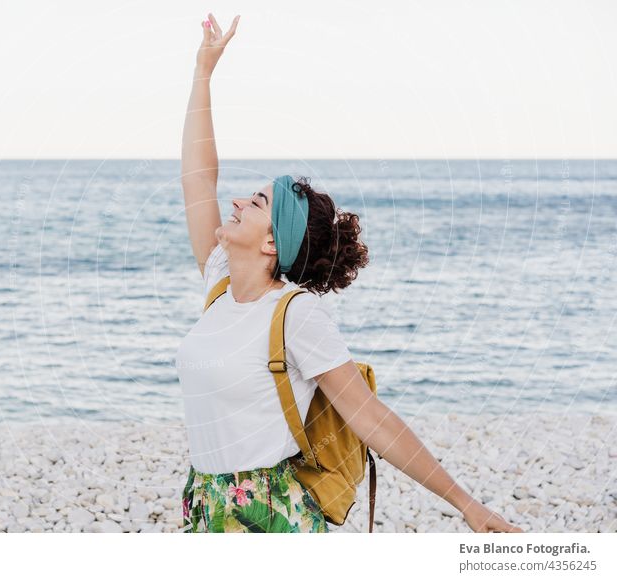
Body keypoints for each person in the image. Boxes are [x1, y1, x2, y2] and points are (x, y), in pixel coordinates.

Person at [176, 12, 524, 534]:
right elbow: (198, 177)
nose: (234, 201)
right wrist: (203, 70)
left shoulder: (296, 315)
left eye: (254, 202)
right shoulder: (220, 285)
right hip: (205, 504)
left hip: (273, 516)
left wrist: (466, 505)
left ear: (272, 243)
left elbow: (371, 418)